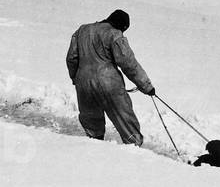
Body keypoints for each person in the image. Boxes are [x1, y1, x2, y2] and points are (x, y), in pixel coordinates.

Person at [66, 10, 155, 145]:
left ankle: (94, 148)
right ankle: (134, 150)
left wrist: (76, 78)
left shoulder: (82, 30)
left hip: (83, 83)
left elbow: (71, 58)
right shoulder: (115, 34)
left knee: (92, 125)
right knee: (125, 120)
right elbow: (128, 64)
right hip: (109, 84)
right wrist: (146, 86)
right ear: (122, 26)